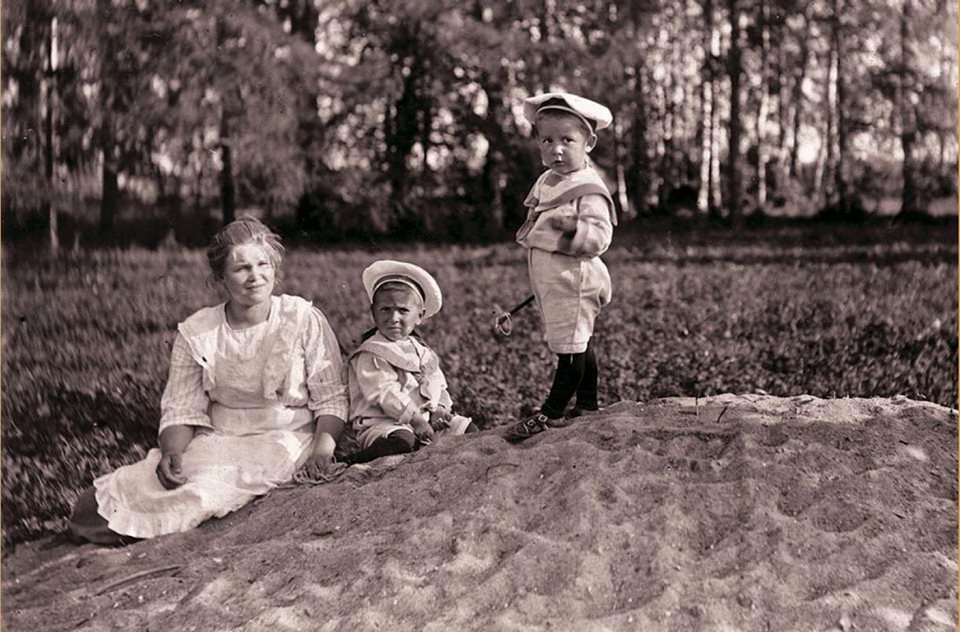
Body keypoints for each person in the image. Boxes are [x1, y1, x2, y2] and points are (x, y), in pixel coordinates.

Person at [68, 217, 348, 544]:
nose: (255, 276)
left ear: (275, 267)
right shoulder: (199, 331)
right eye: (241, 268)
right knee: (96, 504)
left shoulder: (301, 318)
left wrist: (322, 451)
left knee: (202, 493)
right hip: (221, 439)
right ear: (221, 277)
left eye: (263, 264)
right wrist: (172, 451)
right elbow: (182, 407)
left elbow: (331, 398)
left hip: (284, 438)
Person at [502, 92, 617, 443]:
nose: (557, 150)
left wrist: (573, 230)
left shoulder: (588, 189)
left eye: (568, 140)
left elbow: (600, 237)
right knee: (580, 340)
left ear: (589, 143)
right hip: (557, 280)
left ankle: (550, 412)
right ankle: (587, 403)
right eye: (547, 140)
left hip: (575, 280)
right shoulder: (550, 180)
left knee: (570, 348)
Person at [341, 260, 477, 464]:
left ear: (420, 316)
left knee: (466, 429)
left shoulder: (421, 350)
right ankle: (351, 463)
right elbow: (384, 392)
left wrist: (440, 408)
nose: (394, 318)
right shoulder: (372, 352)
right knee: (403, 442)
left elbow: (438, 383)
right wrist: (416, 420)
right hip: (385, 423)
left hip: (426, 420)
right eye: (385, 310)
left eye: (403, 311)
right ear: (373, 312)